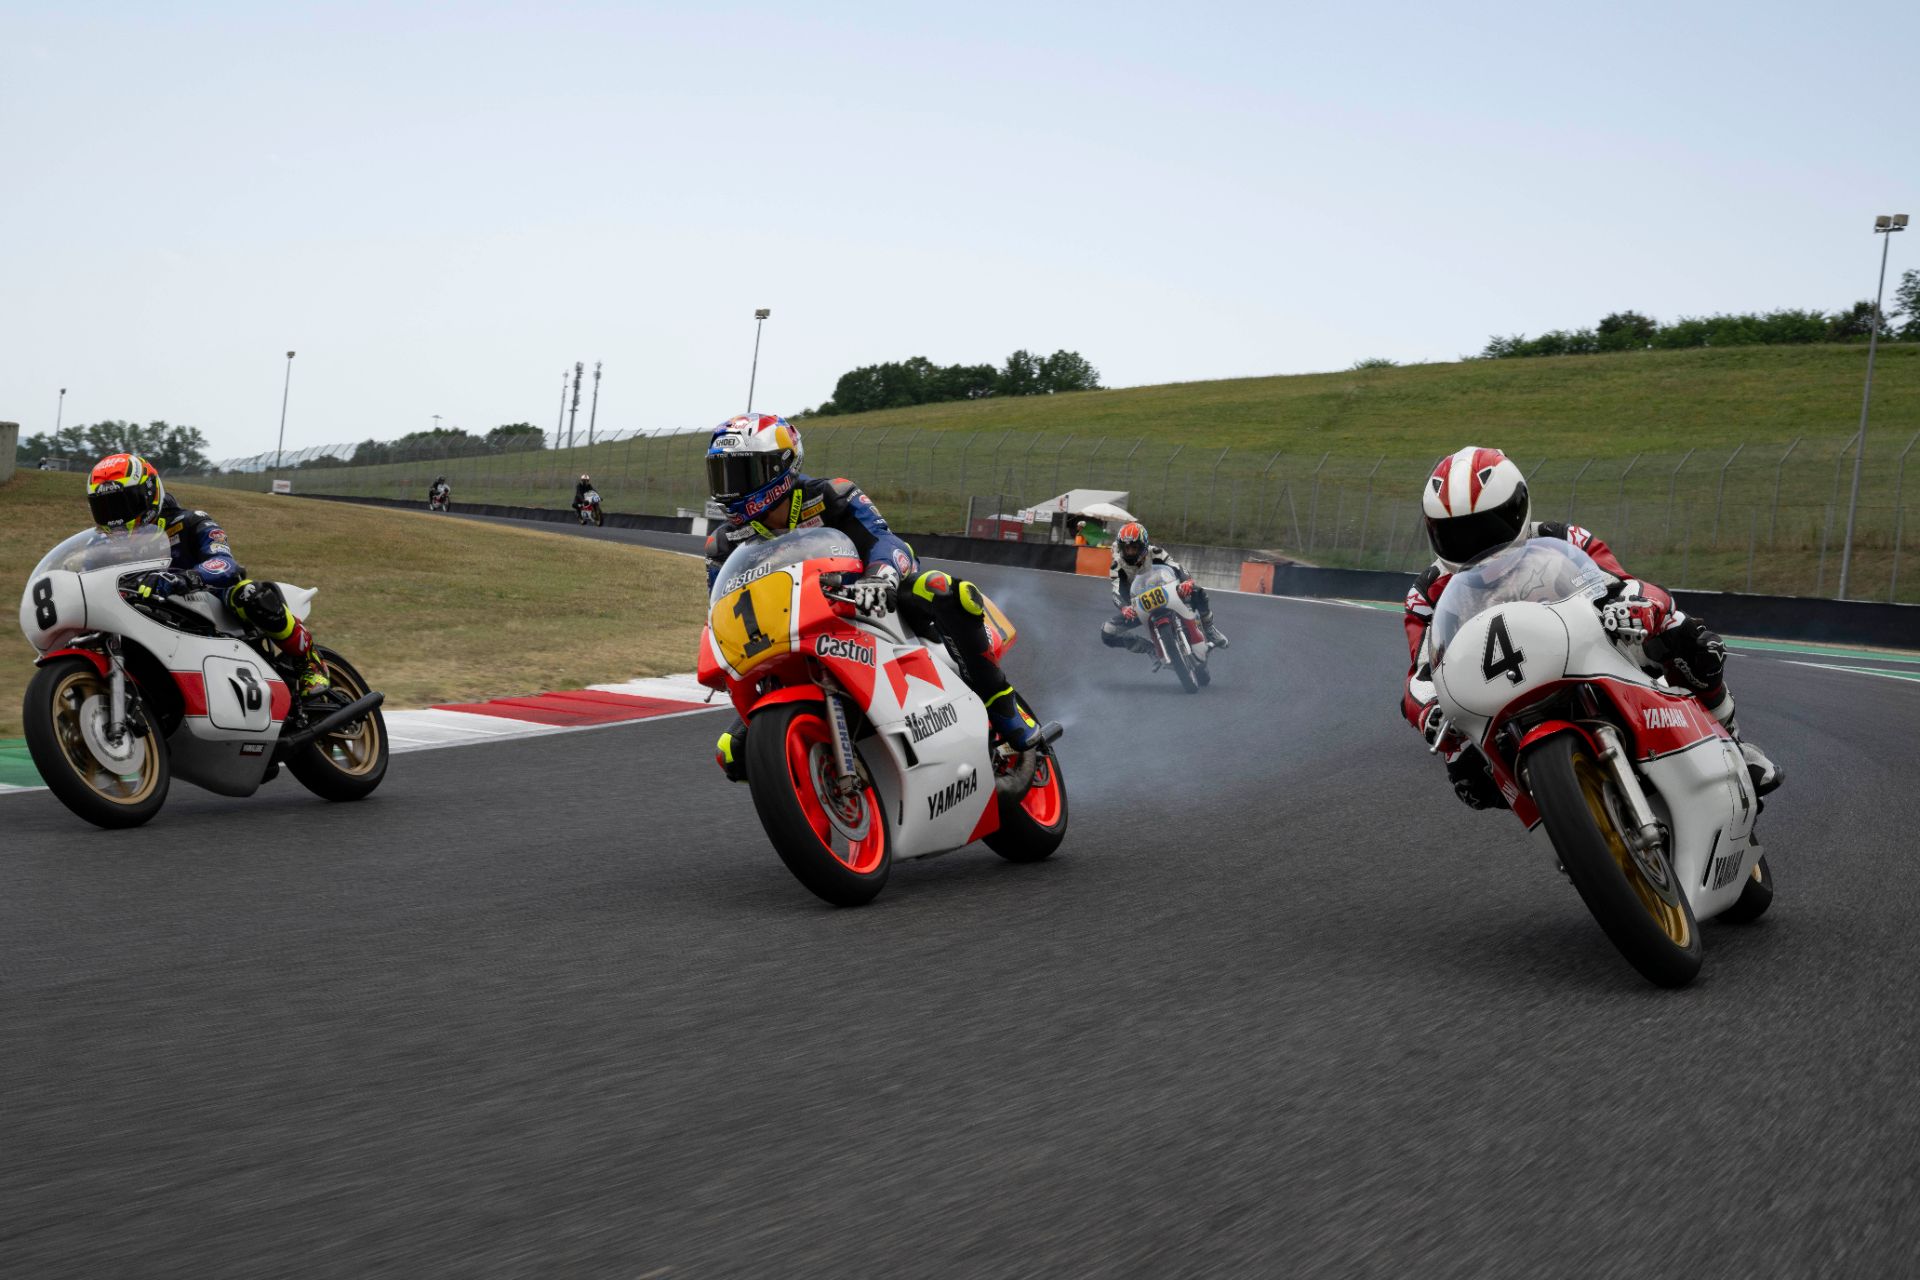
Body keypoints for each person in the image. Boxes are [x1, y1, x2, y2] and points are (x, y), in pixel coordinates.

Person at [1401, 445, 1780, 809]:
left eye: (1485, 528)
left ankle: (1733, 740)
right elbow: (1420, 674)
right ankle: (1570, 836)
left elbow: (1625, 584)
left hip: (1584, 649)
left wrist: (1641, 606)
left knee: (1689, 637)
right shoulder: (1426, 593)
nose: (1474, 545)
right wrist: (1428, 711)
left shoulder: (1563, 539)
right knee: (1468, 776)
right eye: (1456, 535)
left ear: (1518, 508)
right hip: (1498, 693)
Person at [702, 413, 1041, 780]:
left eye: (741, 473)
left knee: (946, 589)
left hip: (870, 600)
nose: (730, 487)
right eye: (723, 475)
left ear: (779, 466)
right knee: (732, 753)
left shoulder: (831, 495)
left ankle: (999, 701)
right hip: (792, 633)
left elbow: (886, 540)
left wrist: (879, 578)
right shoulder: (723, 543)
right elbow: (724, 606)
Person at [85, 453, 331, 700]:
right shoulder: (100, 546)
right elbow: (87, 580)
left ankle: (310, 662)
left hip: (211, 605)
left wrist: (187, 577)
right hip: (148, 616)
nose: (114, 517)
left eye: (122, 504)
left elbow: (224, 561)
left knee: (249, 594)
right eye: (104, 508)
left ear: (149, 493)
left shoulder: (191, 522)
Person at [1100, 521, 1230, 653]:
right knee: (1107, 632)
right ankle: (1149, 649)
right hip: (1139, 606)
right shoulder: (1116, 566)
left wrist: (1187, 581)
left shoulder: (1156, 552)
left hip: (1168, 592)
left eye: (1134, 547)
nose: (1131, 552)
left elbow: (1177, 567)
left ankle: (1209, 628)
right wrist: (1124, 608)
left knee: (1198, 591)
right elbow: (1115, 591)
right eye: (1127, 548)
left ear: (1143, 545)